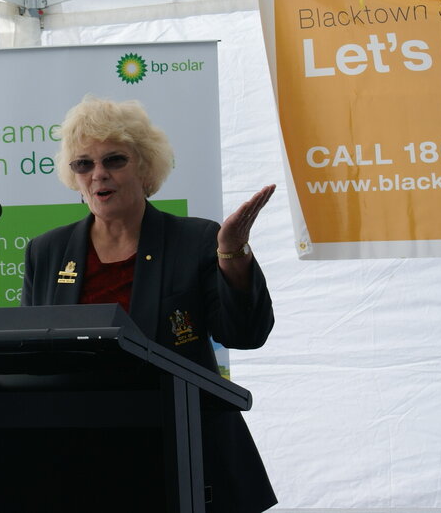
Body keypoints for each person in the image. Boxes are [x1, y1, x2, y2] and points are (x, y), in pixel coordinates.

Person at [22, 95, 277, 512]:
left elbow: (245, 334)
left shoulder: (195, 240)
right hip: (83, 460)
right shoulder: (46, 252)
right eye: (84, 164)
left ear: (145, 166)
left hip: (186, 453)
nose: (98, 175)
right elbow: (32, 359)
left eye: (114, 160)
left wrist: (231, 255)